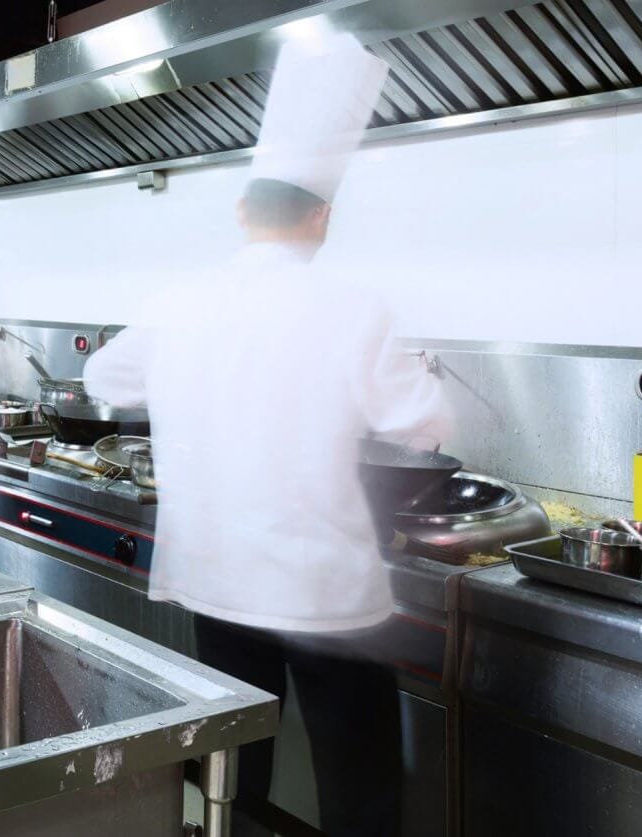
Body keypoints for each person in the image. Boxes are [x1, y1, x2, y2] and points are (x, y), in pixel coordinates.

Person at [83, 35, 450, 837]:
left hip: (218, 577)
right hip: (323, 594)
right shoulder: (353, 307)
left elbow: (101, 381)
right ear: (323, 215)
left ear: (243, 212)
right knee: (359, 786)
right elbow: (422, 424)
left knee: (228, 779)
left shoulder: (184, 300)